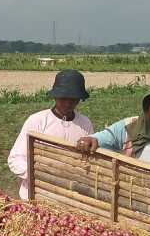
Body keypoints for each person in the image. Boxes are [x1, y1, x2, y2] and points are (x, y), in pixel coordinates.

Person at [8, 69, 94, 199]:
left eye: (73, 99)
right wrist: (40, 174)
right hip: (36, 194)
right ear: (55, 96)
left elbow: (89, 161)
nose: (67, 103)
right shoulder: (37, 121)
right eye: (63, 98)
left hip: (70, 197)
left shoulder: (85, 123)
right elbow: (15, 159)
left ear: (79, 99)